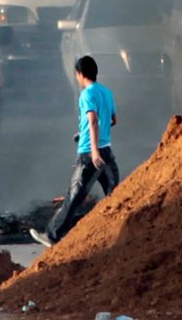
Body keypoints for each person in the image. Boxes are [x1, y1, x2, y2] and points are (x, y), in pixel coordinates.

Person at [31, 56, 119, 248]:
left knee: (74, 195)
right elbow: (112, 120)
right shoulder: (107, 92)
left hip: (90, 154)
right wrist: (85, 134)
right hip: (107, 150)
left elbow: (93, 120)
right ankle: (122, 231)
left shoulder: (87, 95)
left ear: (80, 74)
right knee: (116, 194)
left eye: (77, 75)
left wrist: (93, 149)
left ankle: (53, 234)